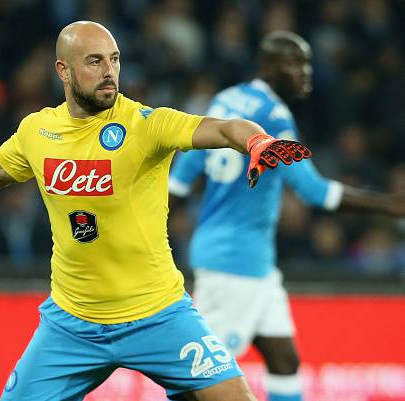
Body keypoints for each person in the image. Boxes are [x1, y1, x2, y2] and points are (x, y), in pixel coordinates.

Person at [0, 22, 311, 401]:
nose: (109, 71)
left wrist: (257, 140)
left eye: (114, 60)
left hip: (158, 315)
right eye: (94, 62)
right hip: (71, 325)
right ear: (63, 70)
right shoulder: (37, 131)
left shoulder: (146, 124)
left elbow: (224, 129)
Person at [169, 31, 405, 401]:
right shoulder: (273, 115)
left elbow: (178, 183)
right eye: (295, 63)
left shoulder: (224, 99)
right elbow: (314, 191)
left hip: (248, 263)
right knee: (203, 378)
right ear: (268, 66)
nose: (305, 72)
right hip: (235, 265)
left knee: (284, 358)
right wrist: (389, 205)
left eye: (307, 63)